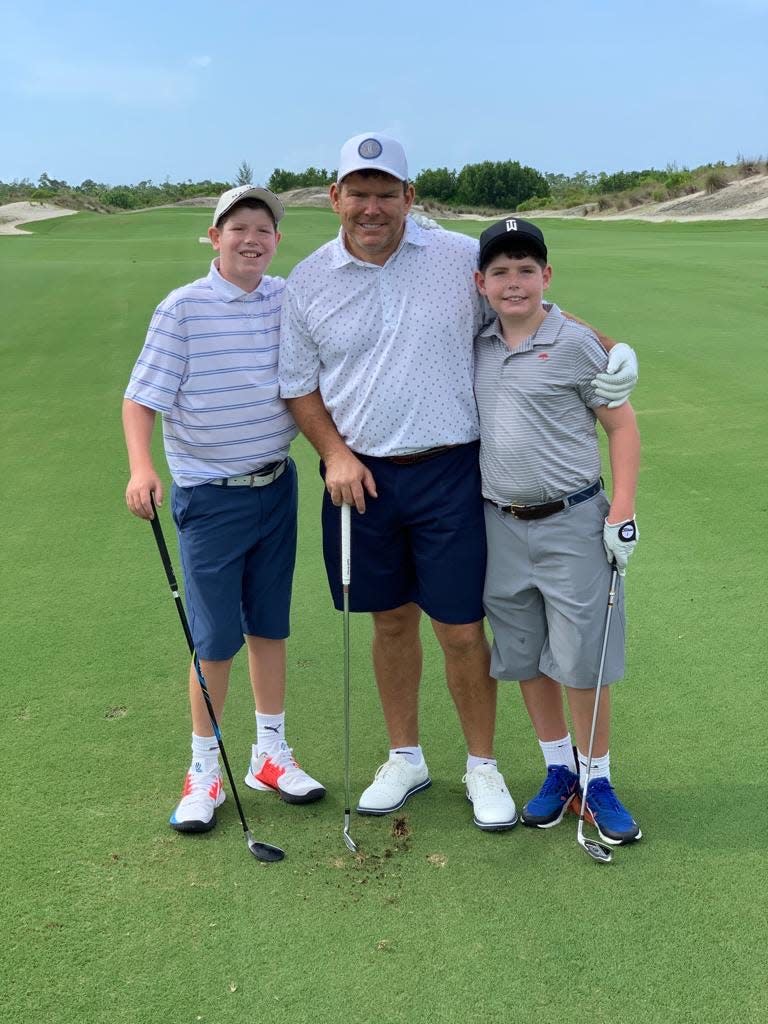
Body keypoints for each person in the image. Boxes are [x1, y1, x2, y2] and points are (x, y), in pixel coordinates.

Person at [278, 132, 638, 832]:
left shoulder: (453, 259)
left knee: (465, 630)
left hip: (452, 472)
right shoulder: (309, 280)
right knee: (388, 621)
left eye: (387, 193)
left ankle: (483, 765)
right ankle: (405, 756)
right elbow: (298, 386)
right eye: (359, 192)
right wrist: (333, 453)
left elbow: (529, 310)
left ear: (410, 198)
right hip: (359, 475)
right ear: (334, 198)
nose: (372, 206)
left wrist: (610, 348)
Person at [122, 185, 325, 834]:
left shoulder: (287, 297)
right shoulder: (181, 310)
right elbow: (140, 401)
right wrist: (142, 467)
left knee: (270, 626)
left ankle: (270, 754)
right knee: (213, 640)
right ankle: (203, 769)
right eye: (238, 227)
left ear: (276, 240)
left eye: (263, 229)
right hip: (210, 497)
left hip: (277, 487)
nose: (251, 239)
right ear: (214, 237)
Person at [474, 217, 642, 845]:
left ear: (547, 277)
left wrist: (621, 511)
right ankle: (558, 770)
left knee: (582, 658)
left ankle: (597, 780)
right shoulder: (480, 342)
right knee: (523, 654)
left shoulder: (573, 342)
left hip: (573, 522)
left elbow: (622, 428)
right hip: (499, 525)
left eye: (526, 270)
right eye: (501, 271)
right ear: (481, 282)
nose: (513, 282)